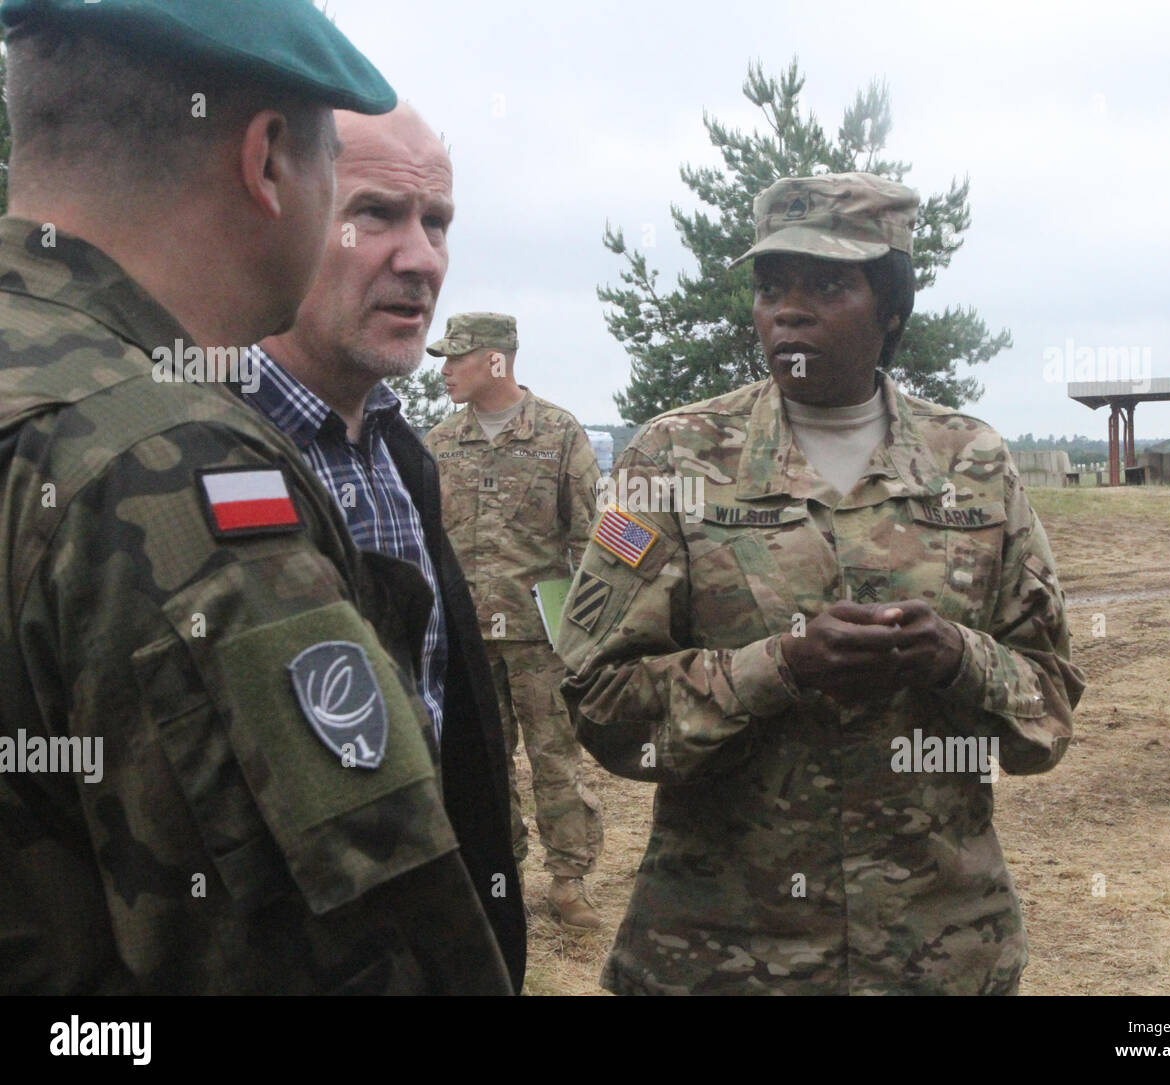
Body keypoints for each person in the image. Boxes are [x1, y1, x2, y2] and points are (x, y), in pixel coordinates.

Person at [0, 0, 511, 995]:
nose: (420, 258)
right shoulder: (173, 463)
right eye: (361, 200)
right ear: (268, 159)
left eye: (436, 223)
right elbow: (345, 950)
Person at [555, 172, 1086, 995]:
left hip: (936, 953)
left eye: (829, 284)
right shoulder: (675, 458)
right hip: (721, 956)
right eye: (772, 286)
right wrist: (780, 666)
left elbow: (1048, 705)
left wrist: (954, 656)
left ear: (892, 311)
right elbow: (598, 700)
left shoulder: (972, 464)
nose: (788, 310)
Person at [248, 107, 526, 986]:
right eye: (375, 213)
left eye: (435, 222)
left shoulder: (403, 456)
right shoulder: (190, 449)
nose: (422, 259)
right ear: (279, 206)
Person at [425, 313, 605, 929]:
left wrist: (589, 630)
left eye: (456, 358)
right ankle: (499, 874)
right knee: (482, 767)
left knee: (557, 761)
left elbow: (592, 539)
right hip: (466, 638)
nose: (444, 370)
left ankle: (569, 882)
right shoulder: (439, 442)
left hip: (540, 638)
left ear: (495, 361)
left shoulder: (559, 434)